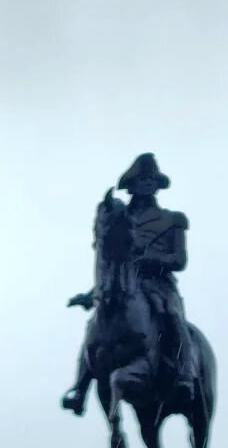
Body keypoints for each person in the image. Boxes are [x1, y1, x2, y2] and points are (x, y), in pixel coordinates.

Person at [62, 153, 191, 412]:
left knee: (174, 318)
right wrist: (91, 294)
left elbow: (178, 260)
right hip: (120, 285)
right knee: (94, 326)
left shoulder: (172, 219)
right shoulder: (119, 217)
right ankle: (80, 389)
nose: (146, 183)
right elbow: (111, 261)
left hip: (159, 286)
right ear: (130, 185)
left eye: (150, 179)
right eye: (140, 179)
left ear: (157, 184)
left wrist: (147, 259)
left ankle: (185, 375)